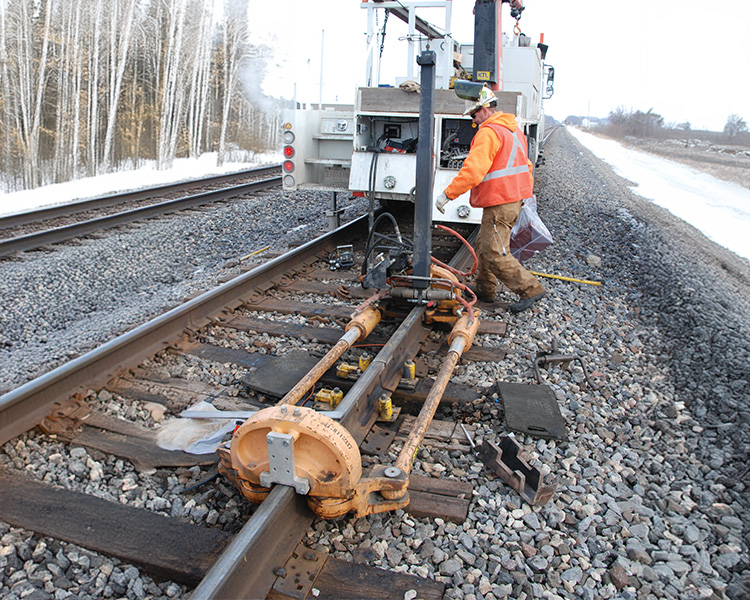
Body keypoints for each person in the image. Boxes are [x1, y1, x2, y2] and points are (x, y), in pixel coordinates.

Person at [435, 84, 546, 313]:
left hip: (500, 201)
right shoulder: (513, 130)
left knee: (495, 252)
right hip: (512, 198)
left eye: (474, 114)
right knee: (484, 246)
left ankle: (531, 289)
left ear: (485, 109)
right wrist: (524, 193)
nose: (473, 120)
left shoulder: (488, 132)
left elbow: (473, 171)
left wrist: (448, 194)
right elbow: (526, 165)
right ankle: (486, 288)